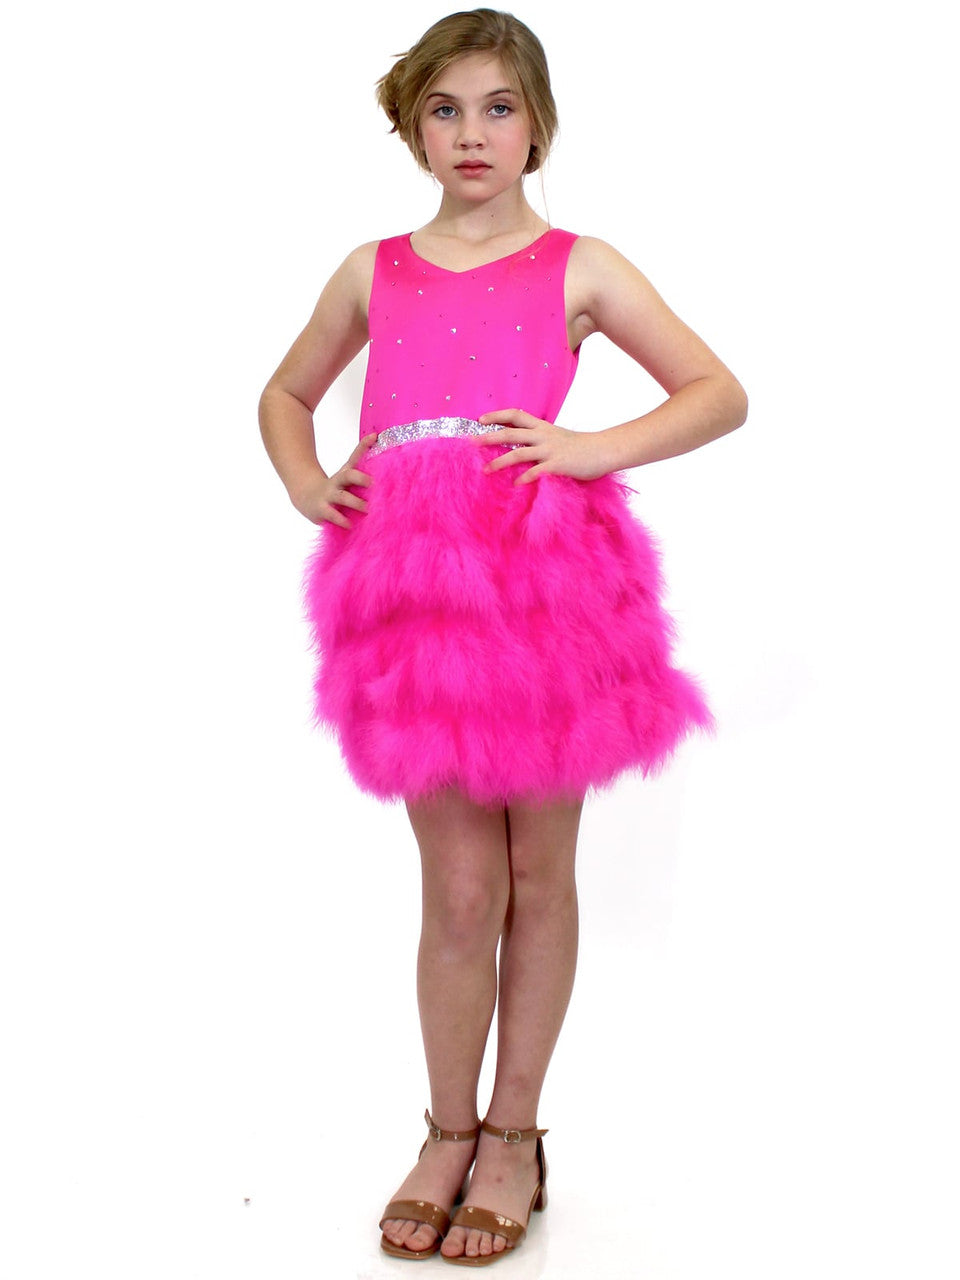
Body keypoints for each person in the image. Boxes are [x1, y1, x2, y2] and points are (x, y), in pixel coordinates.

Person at [258, 8, 747, 1266]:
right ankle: (446, 1127)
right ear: (412, 127)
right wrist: (309, 481)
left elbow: (718, 391)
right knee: (459, 884)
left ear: (538, 125)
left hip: (543, 583)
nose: (472, 133)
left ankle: (516, 1135)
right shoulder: (373, 268)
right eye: (445, 109)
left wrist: (588, 446)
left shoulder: (581, 265)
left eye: (498, 107)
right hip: (415, 590)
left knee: (540, 870)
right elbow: (286, 390)